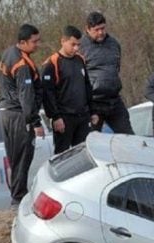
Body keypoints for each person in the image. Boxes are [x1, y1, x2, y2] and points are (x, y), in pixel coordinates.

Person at [0, 23, 45, 208]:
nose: (37, 45)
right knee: (23, 157)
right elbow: (26, 96)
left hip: (5, 112)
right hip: (19, 115)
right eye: (34, 42)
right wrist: (35, 121)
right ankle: (18, 200)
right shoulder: (22, 65)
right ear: (22, 42)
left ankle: (16, 197)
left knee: (14, 158)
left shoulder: (8, 53)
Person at [41, 25, 97, 154]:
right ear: (63, 41)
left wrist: (92, 110)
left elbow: (87, 86)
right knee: (63, 155)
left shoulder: (80, 60)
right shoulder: (52, 63)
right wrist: (56, 117)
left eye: (78, 45)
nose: (76, 48)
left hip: (82, 116)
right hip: (64, 118)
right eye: (73, 44)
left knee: (83, 153)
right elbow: (48, 94)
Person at [80, 11, 134, 135]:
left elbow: (116, 67)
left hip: (114, 100)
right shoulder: (81, 47)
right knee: (91, 140)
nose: (101, 33)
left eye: (103, 28)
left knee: (128, 136)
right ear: (88, 29)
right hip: (94, 103)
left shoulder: (114, 44)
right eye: (97, 30)